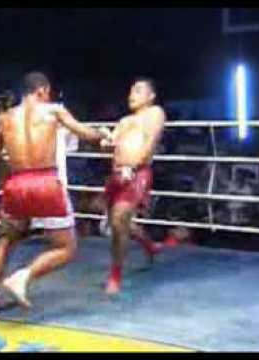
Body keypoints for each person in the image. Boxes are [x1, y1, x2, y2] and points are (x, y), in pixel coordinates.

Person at [0, 71, 111, 309]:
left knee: (6, 238)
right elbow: (85, 133)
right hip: (45, 182)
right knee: (66, 247)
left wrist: (9, 172)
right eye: (47, 92)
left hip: (16, 182)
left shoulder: (4, 118)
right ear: (42, 90)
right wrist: (102, 133)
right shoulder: (53, 110)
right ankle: (23, 276)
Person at [100, 77, 166, 295]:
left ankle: (115, 275)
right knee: (117, 223)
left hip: (137, 173)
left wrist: (134, 165)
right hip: (116, 173)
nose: (132, 95)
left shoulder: (154, 113)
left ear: (151, 96)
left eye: (138, 91)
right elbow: (109, 146)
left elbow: (150, 142)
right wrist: (105, 140)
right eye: (130, 91)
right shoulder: (124, 121)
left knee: (119, 220)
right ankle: (149, 245)